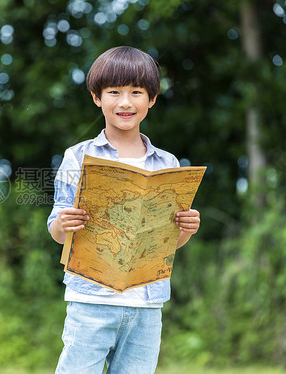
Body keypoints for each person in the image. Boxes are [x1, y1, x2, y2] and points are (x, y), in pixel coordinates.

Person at [47, 46, 201, 374]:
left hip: (146, 305)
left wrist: (185, 230)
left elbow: (166, 245)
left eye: (137, 92)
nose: (125, 102)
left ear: (152, 99)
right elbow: (56, 230)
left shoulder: (168, 164)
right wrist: (64, 223)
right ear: (96, 97)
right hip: (91, 300)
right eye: (114, 92)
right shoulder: (77, 157)